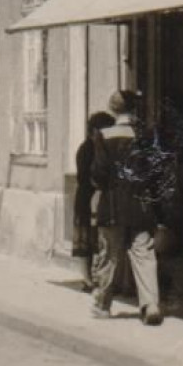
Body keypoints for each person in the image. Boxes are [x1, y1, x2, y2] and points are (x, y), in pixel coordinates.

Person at [90, 91, 163, 326]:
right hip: (140, 205)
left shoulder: (103, 136)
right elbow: (155, 172)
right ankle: (150, 304)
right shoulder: (145, 136)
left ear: (113, 110)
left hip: (112, 205)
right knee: (144, 254)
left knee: (109, 255)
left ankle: (102, 305)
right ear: (134, 110)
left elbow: (99, 172)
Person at [75, 112, 114, 291]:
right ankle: (86, 278)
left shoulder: (102, 147)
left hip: (98, 197)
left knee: (97, 240)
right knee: (85, 242)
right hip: (87, 198)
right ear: (96, 130)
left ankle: (95, 276)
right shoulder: (86, 149)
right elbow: (84, 176)